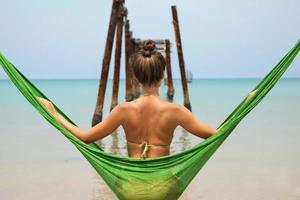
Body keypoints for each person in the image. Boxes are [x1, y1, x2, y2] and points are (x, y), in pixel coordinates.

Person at [37, 40, 217, 159]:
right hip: (162, 185)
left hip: (132, 184)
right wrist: (243, 107)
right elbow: (215, 135)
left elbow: (85, 137)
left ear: (135, 77)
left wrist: (55, 115)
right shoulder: (176, 111)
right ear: (163, 75)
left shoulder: (122, 111)